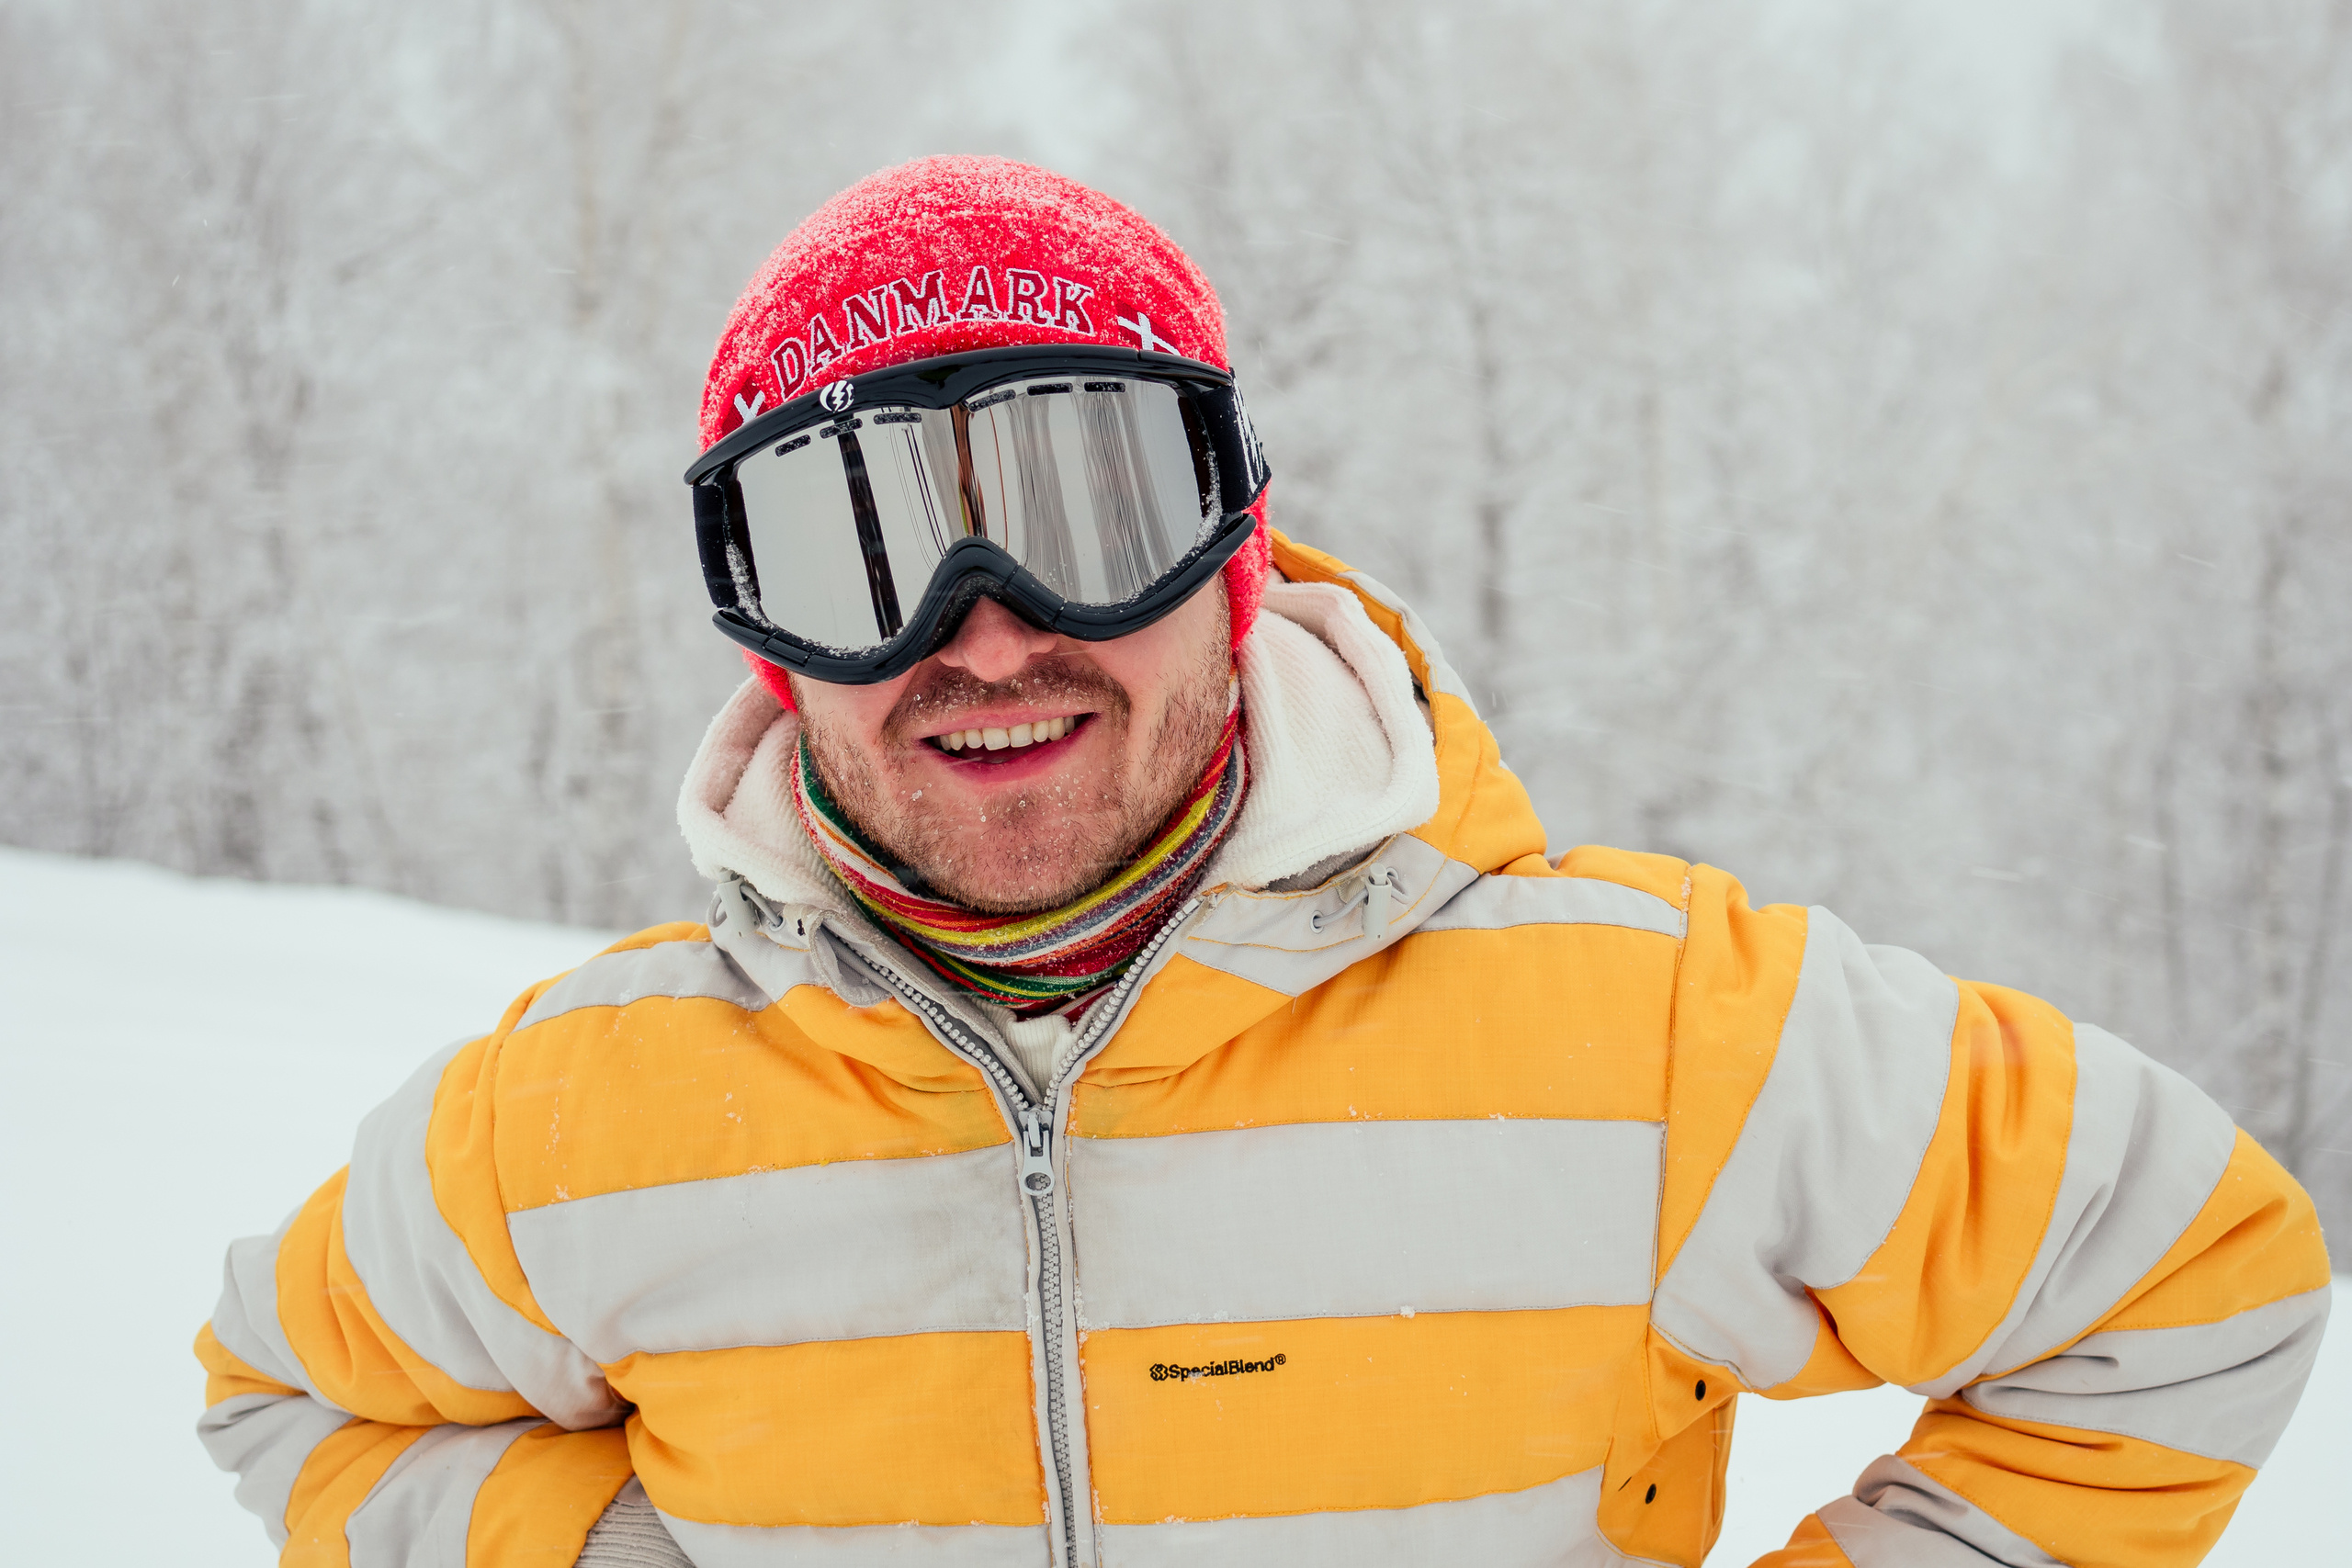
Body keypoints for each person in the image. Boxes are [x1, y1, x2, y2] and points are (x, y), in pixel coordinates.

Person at [196, 156, 2329, 1568]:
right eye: (859, 541)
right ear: (756, 619)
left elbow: (2183, 1275)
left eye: (1085, 495)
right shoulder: (573, 1117)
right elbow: (283, 1387)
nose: (982, 624)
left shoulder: (1654, 1023)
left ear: (1234, 546)